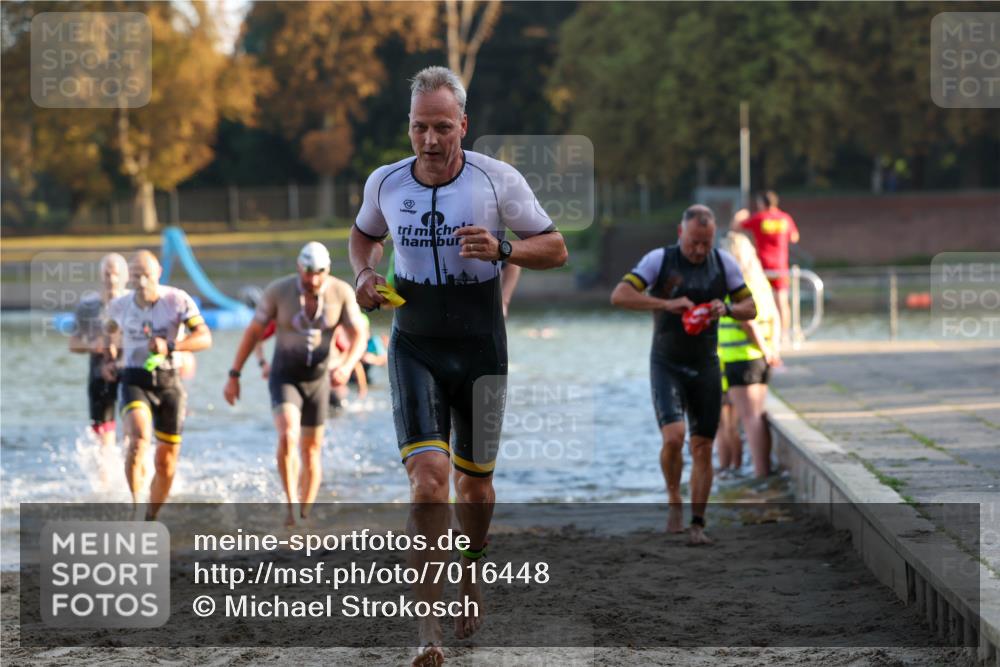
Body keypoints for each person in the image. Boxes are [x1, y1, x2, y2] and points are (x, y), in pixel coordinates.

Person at [349, 66, 568, 666]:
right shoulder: (387, 182)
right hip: (414, 343)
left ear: (463, 126)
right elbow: (362, 236)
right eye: (420, 127)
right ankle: (426, 627)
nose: (430, 140)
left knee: (475, 488)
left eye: (442, 127)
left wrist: (504, 248)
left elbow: (554, 247)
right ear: (410, 127)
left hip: (481, 348)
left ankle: (471, 575)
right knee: (426, 480)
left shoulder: (497, 181)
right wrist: (364, 275)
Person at [611, 205, 755, 545]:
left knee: (702, 446)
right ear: (681, 233)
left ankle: (697, 523)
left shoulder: (724, 264)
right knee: (673, 438)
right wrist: (665, 304)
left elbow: (751, 307)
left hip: (706, 364)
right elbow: (620, 296)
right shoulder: (658, 260)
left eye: (705, 243)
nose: (699, 250)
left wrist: (728, 308)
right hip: (666, 363)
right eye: (693, 243)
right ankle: (674, 495)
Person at [223, 242, 367, 527]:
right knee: (288, 435)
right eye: (307, 272)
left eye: (319, 273)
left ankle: (304, 511)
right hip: (284, 376)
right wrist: (234, 375)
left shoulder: (340, 292)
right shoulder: (279, 291)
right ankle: (290, 508)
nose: (312, 279)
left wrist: (348, 365)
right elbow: (254, 332)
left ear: (327, 270)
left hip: (318, 381)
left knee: (311, 449)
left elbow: (359, 334)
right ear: (298, 268)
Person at [105, 251, 212, 519]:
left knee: (165, 462)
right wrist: (108, 356)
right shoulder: (120, 305)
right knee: (139, 439)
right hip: (134, 378)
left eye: (147, 276)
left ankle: (151, 516)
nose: (141, 283)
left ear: (158, 273)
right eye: (136, 276)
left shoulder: (177, 300)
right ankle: (135, 506)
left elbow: (204, 337)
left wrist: (172, 346)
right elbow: (108, 332)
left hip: (169, 382)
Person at [717, 231, 781, 479]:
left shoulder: (736, 287)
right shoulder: (761, 282)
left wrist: (764, 349)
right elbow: (774, 316)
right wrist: (771, 348)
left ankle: (759, 473)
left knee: (750, 418)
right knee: (757, 414)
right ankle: (762, 470)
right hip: (758, 358)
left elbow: (748, 323)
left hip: (740, 357)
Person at [69, 253, 128, 450]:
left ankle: (133, 475)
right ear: (101, 276)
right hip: (98, 372)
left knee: (133, 433)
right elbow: (73, 343)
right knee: (103, 440)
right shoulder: (88, 306)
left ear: (125, 276)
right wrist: (91, 346)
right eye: (107, 274)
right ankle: (106, 479)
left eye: (116, 274)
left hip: (129, 371)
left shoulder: (133, 303)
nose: (111, 279)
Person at [732, 191, 800, 342]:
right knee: (782, 301)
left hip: (761, 267)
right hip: (781, 266)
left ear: (762, 204)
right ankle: (784, 335)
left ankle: (762, 334)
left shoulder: (760, 218)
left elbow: (735, 227)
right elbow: (795, 237)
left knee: (759, 299)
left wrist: (739, 216)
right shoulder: (785, 218)